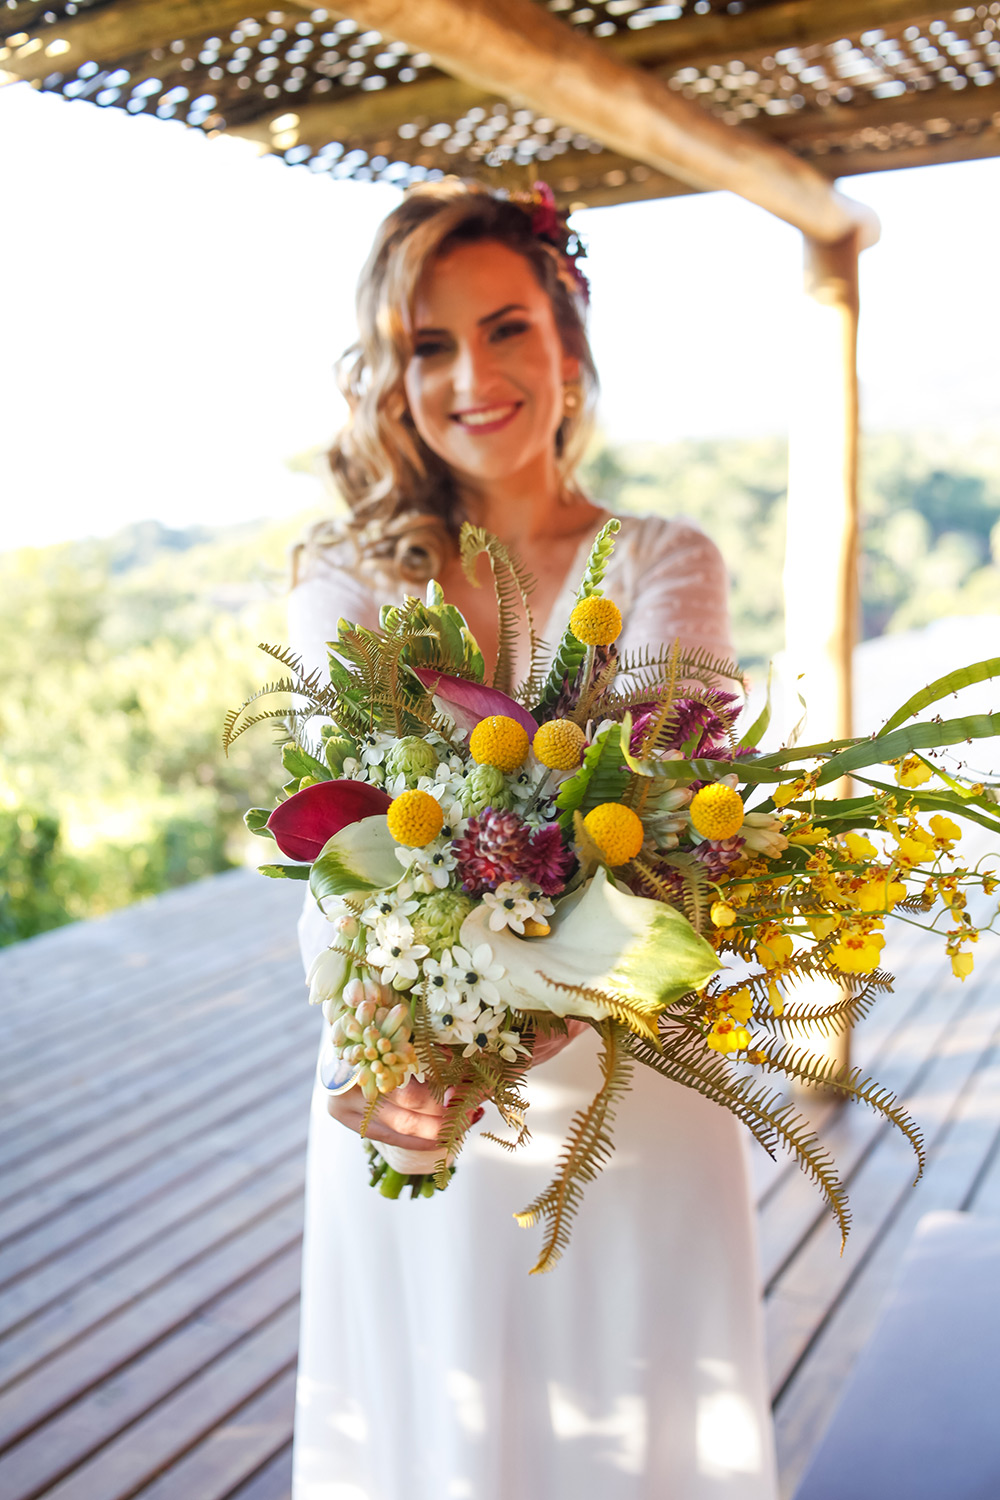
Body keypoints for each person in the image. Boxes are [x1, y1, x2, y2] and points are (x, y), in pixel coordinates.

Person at [288, 179, 778, 1500]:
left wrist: (521, 1020)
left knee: (636, 1431)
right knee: (434, 1440)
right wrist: (400, 1060)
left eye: (505, 329)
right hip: (407, 1082)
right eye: (429, 346)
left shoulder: (668, 562)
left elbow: (669, 850)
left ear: (569, 343)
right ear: (390, 380)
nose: (473, 378)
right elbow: (341, 861)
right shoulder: (352, 575)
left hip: (628, 1096)